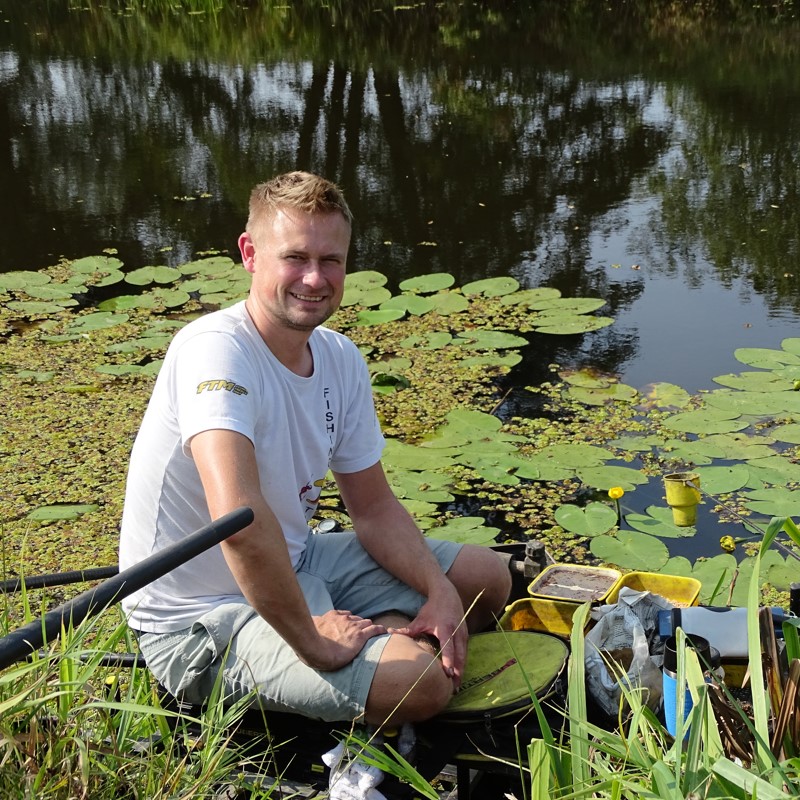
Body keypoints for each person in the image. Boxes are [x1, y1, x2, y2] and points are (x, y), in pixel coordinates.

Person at [119, 171, 511, 728]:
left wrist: (440, 589)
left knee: (487, 578)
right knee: (416, 684)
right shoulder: (214, 351)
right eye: (295, 257)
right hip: (199, 617)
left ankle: (391, 629)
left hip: (299, 560)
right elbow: (238, 522)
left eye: (331, 260)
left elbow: (373, 509)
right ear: (251, 254)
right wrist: (314, 642)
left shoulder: (339, 357)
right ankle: (383, 644)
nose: (314, 277)